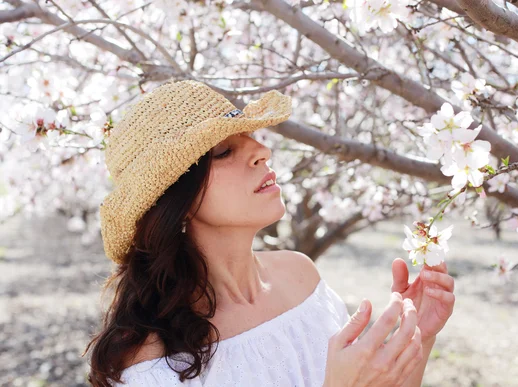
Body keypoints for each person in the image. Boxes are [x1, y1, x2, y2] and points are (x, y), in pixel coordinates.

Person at [83, 80, 455, 386]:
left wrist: (418, 338)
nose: (263, 150)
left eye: (253, 136)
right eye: (225, 151)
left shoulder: (301, 275)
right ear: (176, 198)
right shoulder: (151, 358)